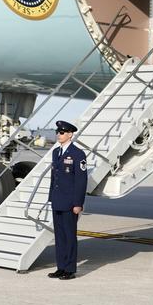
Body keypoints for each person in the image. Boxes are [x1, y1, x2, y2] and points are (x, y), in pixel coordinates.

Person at [47, 120, 88, 280]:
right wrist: (51, 197)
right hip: (57, 200)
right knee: (59, 236)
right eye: (57, 132)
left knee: (69, 236)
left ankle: (70, 269)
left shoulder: (78, 154)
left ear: (70, 134)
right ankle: (61, 267)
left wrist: (78, 203)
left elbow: (81, 180)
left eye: (62, 132)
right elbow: (54, 177)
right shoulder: (56, 152)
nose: (59, 135)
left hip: (70, 202)